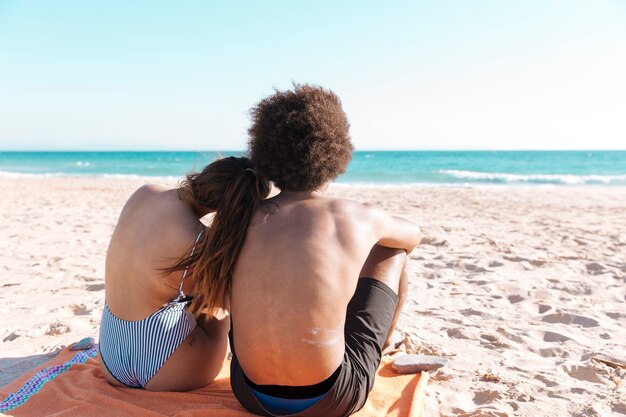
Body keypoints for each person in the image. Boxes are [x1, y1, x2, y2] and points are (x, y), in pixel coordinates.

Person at [188, 84, 422, 416]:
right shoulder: (356, 216)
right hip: (331, 400)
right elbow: (413, 236)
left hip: (248, 392)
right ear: (337, 150)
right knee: (392, 251)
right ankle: (377, 349)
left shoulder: (240, 217)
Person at [98, 156, 270, 391]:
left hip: (111, 359)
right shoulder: (199, 240)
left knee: (181, 291)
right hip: (165, 369)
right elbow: (227, 302)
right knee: (214, 308)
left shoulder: (144, 193)